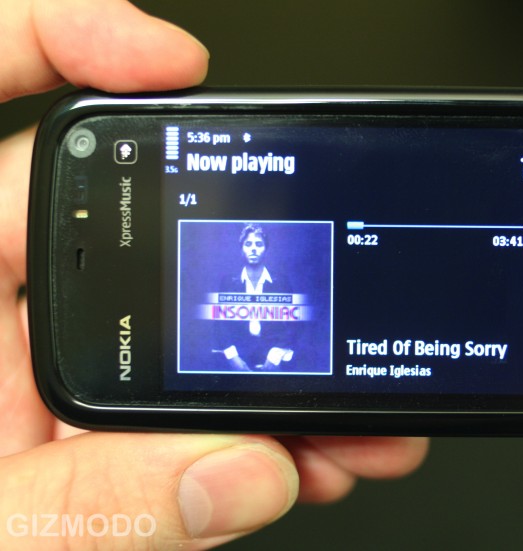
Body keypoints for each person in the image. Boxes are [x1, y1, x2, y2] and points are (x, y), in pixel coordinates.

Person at [0, 1, 428, 549]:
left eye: (259, 239)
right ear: (241, 245)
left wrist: (280, 357)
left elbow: (300, 332)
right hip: (235, 368)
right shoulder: (219, 288)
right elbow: (217, 334)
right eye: (247, 238)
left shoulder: (284, 288)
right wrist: (234, 360)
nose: (253, 244)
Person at [218, 224, 296, 371]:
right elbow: (220, 326)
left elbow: (292, 326)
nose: (253, 249)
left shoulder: (281, 282)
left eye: (259, 244)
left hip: (272, 353)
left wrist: (275, 356)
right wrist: (233, 358)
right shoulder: (228, 283)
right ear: (241, 249)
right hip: (239, 354)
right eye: (248, 244)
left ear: (266, 249)